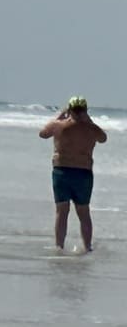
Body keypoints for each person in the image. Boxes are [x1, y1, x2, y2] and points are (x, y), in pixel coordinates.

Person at [38, 96, 107, 252]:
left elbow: (43, 133)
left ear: (69, 110)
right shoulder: (91, 128)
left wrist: (60, 116)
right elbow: (103, 138)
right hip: (83, 173)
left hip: (62, 171)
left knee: (62, 211)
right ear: (85, 110)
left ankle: (59, 246)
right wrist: (89, 120)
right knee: (83, 212)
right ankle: (87, 247)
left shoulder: (58, 126)